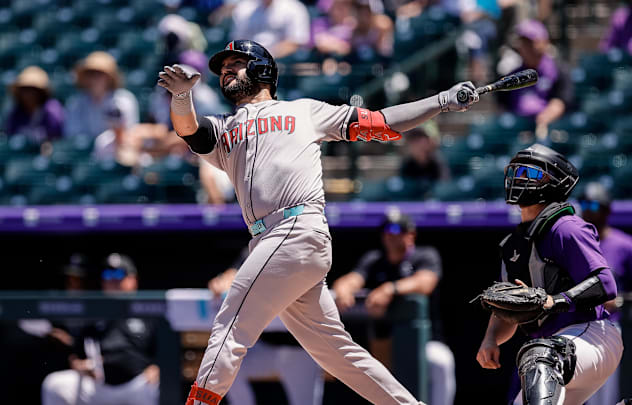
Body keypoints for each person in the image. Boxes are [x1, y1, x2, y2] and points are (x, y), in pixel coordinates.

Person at [158, 38, 478, 404]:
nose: (227, 69)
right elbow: (190, 130)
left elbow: (382, 121)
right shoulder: (226, 129)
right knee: (337, 352)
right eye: (222, 67)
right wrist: (182, 96)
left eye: (237, 62)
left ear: (262, 69)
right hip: (272, 241)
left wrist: (441, 101)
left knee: (230, 324)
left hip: (295, 228)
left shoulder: (304, 111)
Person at [475, 144, 623, 405]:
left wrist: (555, 301)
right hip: (554, 352)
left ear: (554, 183)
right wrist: (490, 338)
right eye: (516, 171)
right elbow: (507, 309)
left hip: (592, 334)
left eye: (530, 174)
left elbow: (605, 284)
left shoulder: (565, 227)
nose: (519, 179)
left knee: (539, 355)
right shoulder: (513, 244)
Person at [332, 212, 456, 405]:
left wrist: (391, 289)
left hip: (425, 342)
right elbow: (350, 280)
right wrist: (343, 290)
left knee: (441, 362)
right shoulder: (374, 260)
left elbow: (426, 282)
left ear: (411, 235)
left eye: (396, 230)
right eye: (386, 231)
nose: (390, 235)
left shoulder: (424, 255)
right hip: (383, 341)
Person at [208, 249, 325, 405]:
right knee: (223, 362)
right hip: (265, 346)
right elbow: (233, 273)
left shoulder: (309, 246)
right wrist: (224, 280)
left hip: (301, 349)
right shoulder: (261, 244)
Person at [41, 253, 160, 405]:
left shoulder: (148, 309)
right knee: (54, 384)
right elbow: (76, 352)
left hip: (137, 384)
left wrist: (158, 367)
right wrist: (79, 365)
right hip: (99, 385)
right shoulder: (94, 311)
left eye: (118, 274)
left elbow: (167, 349)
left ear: (133, 279)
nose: (112, 280)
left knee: (158, 385)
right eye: (107, 274)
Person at [578, 182, 632, 405]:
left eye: (593, 204)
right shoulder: (575, 241)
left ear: (607, 209)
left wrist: (619, 300)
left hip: (610, 328)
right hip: (577, 326)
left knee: (606, 398)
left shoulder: (625, 245)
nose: (587, 209)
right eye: (583, 203)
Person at [496, 20, 573, 140]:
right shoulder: (512, 75)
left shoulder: (558, 70)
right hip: (518, 128)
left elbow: (561, 101)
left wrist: (543, 119)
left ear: (544, 43)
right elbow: (503, 107)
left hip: (547, 127)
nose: (526, 48)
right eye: (523, 43)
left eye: (530, 42)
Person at [64, 51, 139, 138]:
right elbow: (72, 133)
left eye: (100, 74)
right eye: (91, 74)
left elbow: (127, 133)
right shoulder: (76, 102)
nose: (95, 78)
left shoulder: (124, 100)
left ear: (110, 77)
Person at [230, 0, 311, 58]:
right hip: (249, 59)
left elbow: (295, 42)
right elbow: (238, 41)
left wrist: (267, 56)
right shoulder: (243, 8)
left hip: (283, 62)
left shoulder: (294, 7)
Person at [6, 66, 65, 144]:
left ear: (40, 92)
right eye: (24, 89)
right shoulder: (16, 113)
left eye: (32, 89)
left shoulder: (51, 110)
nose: (28, 94)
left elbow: (56, 138)